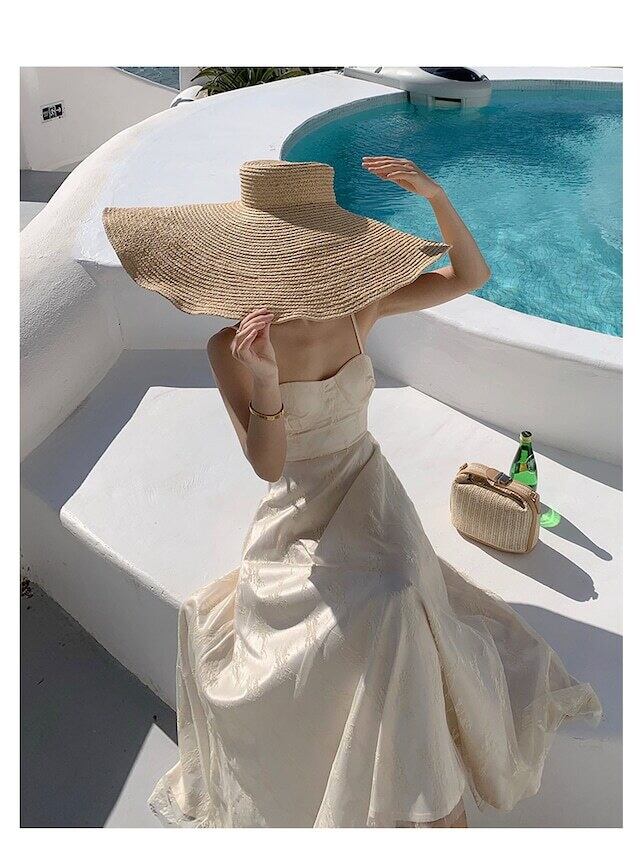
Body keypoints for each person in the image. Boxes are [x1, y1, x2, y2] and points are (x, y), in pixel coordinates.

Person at [104, 156, 602, 828]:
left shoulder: (358, 309)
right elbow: (268, 465)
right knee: (385, 609)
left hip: (367, 489)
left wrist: (437, 197)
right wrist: (265, 381)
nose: (294, 267)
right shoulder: (230, 347)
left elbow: (469, 276)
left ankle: (432, 818)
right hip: (298, 513)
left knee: (397, 596)